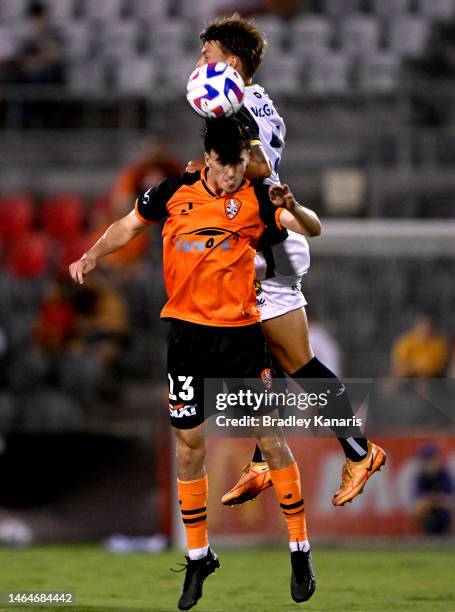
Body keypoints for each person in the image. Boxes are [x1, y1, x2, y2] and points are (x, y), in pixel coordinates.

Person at [69, 118, 321, 609]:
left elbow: (311, 228)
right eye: (226, 167)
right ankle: (200, 555)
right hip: (187, 338)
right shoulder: (171, 193)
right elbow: (126, 226)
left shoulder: (254, 198)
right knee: (188, 446)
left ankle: (300, 549)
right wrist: (92, 254)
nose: (232, 176)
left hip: (243, 338)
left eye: (238, 166)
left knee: (270, 441)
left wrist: (292, 205)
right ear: (208, 159)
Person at [188, 14, 386, 509]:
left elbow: (256, 165)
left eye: (207, 55)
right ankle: (262, 457)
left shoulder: (236, 108)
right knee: (261, 355)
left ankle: (359, 451)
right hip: (261, 241)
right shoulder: (255, 102)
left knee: (295, 360)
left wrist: (208, 175)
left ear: (230, 64)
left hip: (267, 244)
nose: (199, 64)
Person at [392, 312, 448, 378]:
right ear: (417, 326)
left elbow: (436, 365)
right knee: (394, 378)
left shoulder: (439, 343)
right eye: (423, 325)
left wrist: (417, 367)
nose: (426, 329)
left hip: (430, 374)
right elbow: (400, 359)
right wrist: (410, 368)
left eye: (429, 326)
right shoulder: (407, 340)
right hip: (408, 372)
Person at [414, 444, 453, 535]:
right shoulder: (421, 478)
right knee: (421, 509)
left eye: (430, 460)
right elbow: (419, 503)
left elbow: (450, 500)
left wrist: (436, 500)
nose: (428, 464)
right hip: (430, 515)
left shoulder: (445, 475)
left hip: (445, 515)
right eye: (425, 461)